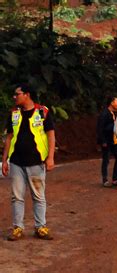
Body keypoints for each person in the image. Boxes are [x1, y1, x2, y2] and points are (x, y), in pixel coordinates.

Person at [2, 84, 55, 241]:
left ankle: (41, 227)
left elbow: (51, 135)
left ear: (27, 95)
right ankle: (18, 227)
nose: (14, 97)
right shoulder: (13, 113)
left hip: (36, 162)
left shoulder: (42, 112)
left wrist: (50, 157)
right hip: (17, 162)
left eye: (17, 94)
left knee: (38, 195)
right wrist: (4, 160)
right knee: (16, 196)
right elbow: (9, 138)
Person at [97, 95, 117, 187]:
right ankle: (105, 179)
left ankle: (115, 178)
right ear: (112, 102)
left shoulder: (113, 113)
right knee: (106, 159)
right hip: (107, 140)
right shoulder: (104, 114)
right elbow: (100, 128)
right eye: (116, 102)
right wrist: (103, 141)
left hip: (114, 140)